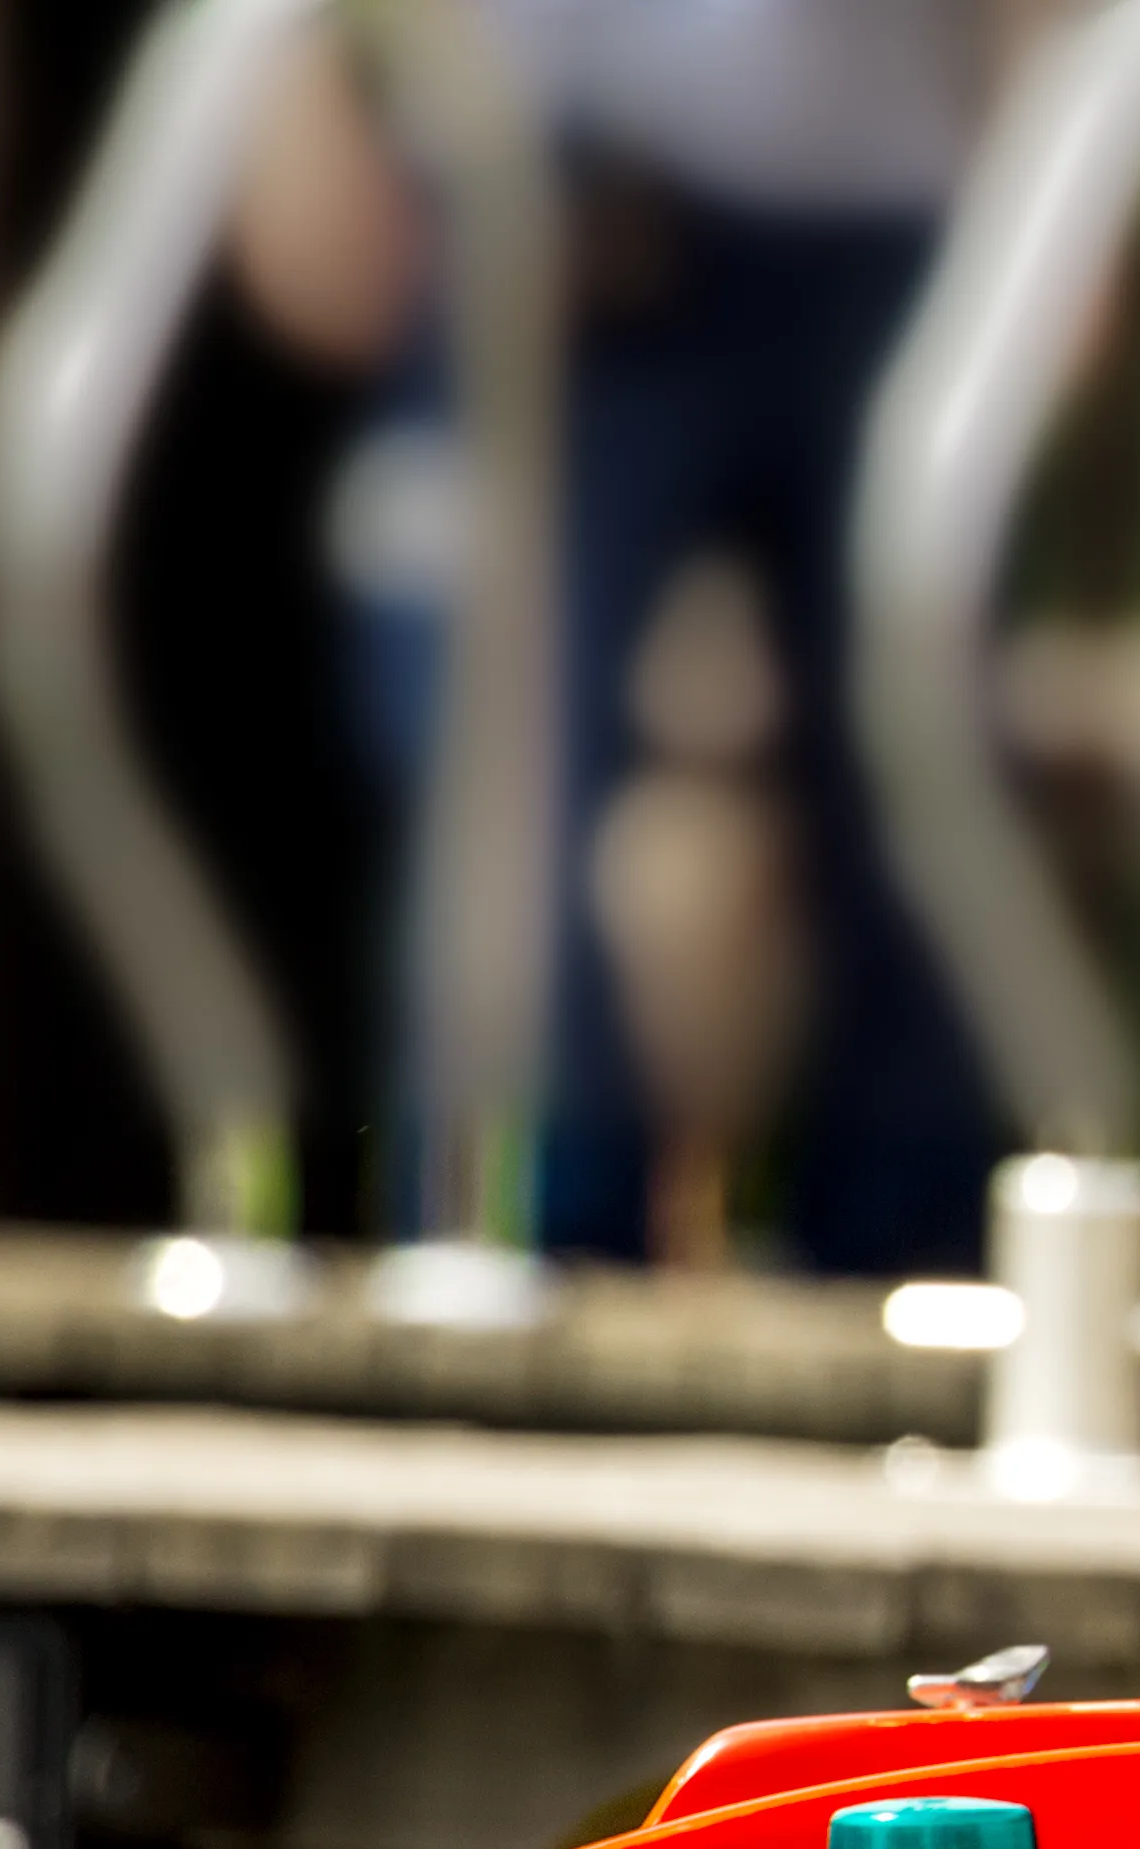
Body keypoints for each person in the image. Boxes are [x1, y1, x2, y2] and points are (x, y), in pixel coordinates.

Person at [232, 2, 1015, 1273]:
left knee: (924, 815)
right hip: (545, 179)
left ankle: (910, 1287)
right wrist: (286, 89)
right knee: (501, 813)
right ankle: (516, 1267)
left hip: (887, 191)